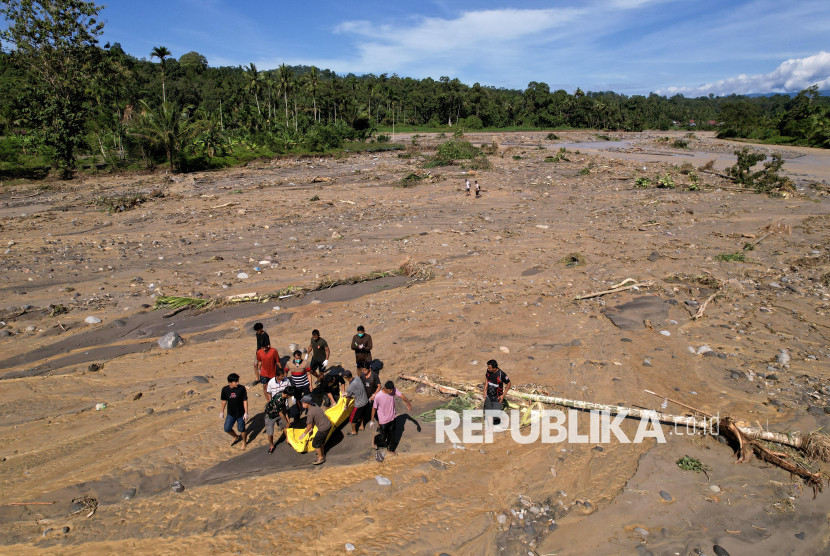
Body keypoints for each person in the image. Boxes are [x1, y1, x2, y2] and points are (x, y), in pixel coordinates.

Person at [371, 380, 412, 455]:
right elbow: (374, 408)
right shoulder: (378, 396)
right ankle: (375, 439)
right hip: (383, 420)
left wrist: (408, 402)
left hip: (392, 417)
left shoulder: (393, 390)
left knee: (392, 435)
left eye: (392, 390)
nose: (391, 391)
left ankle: (390, 449)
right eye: (390, 390)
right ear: (385, 388)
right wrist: (372, 420)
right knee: (383, 437)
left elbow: (402, 396)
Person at [298, 394, 331, 465]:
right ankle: (321, 453)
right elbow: (314, 420)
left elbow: (309, 425)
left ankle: (320, 458)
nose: (302, 405)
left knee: (315, 443)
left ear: (307, 403)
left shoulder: (310, 413)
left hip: (323, 429)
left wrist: (304, 434)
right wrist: (312, 428)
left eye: (303, 403)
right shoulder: (315, 405)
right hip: (328, 425)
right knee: (321, 441)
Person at [220, 373, 248, 449]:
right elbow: (224, 400)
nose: (237, 383)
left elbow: (245, 400)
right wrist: (222, 411)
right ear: (230, 382)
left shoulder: (242, 388)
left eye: (238, 381)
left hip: (240, 413)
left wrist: (246, 413)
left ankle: (244, 442)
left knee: (241, 429)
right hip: (231, 413)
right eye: (235, 382)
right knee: (227, 428)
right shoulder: (225, 389)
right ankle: (235, 436)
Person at [285, 349, 315, 419]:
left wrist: (310, 385)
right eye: (297, 358)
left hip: (305, 384)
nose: (298, 360)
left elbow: (309, 374)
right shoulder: (289, 363)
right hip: (296, 386)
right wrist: (285, 381)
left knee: (308, 398)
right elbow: (285, 371)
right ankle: (298, 411)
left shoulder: (305, 363)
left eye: (299, 358)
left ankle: (308, 410)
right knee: (297, 399)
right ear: (294, 357)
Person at [264, 385, 294, 454]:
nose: (290, 397)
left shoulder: (283, 395)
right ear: (286, 395)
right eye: (290, 396)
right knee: (270, 432)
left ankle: (287, 439)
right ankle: (271, 446)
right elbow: (281, 413)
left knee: (285, 427)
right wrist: (287, 422)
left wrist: (286, 415)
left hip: (279, 413)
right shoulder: (278, 400)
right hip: (270, 416)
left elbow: (284, 406)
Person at [484, 359, 510, 425]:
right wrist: (485, 390)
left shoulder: (501, 374)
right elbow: (487, 378)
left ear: (494, 368)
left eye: (489, 368)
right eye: (488, 367)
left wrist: (503, 395)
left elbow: (509, 383)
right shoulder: (488, 371)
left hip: (497, 397)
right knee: (488, 412)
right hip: (489, 395)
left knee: (496, 414)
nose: (488, 369)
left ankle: (503, 419)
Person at [344, 370, 370, 436]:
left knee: (352, 419)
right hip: (365, 400)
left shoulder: (350, 388)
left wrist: (346, 405)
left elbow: (348, 398)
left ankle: (354, 432)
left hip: (359, 404)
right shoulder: (358, 378)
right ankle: (362, 426)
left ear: (346, 377)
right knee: (361, 414)